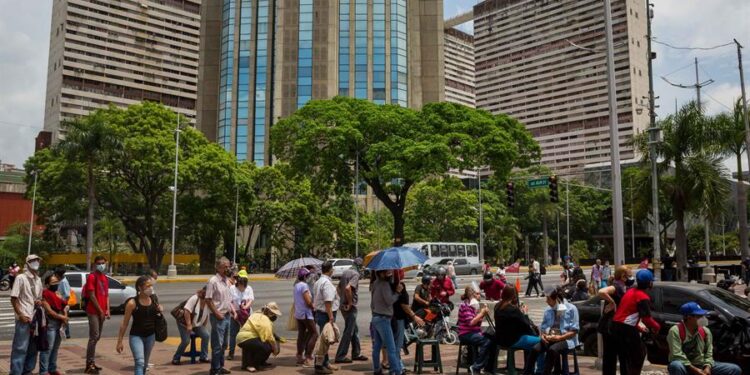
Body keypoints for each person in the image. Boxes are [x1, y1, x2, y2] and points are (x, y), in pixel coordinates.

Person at [666, 302, 742, 375]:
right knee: (676, 365)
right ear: (689, 317)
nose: (703, 319)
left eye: (703, 316)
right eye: (699, 316)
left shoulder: (705, 331)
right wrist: (695, 370)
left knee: (734, 369)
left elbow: (709, 353)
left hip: (701, 364)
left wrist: (707, 367)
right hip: (685, 366)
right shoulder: (675, 331)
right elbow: (677, 355)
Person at [611, 269, 661, 374]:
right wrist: (657, 327)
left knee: (624, 358)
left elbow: (627, 313)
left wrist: (638, 327)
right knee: (638, 356)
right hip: (626, 329)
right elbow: (646, 319)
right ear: (650, 283)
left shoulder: (630, 291)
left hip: (616, 326)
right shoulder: (643, 297)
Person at [115, 275, 162, 375]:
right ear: (140, 288)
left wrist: (159, 309)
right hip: (136, 336)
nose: (150, 288)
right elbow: (124, 323)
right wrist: (119, 341)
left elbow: (157, 314)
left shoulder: (153, 299)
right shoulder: (132, 303)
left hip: (151, 336)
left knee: (144, 364)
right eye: (147, 286)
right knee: (139, 362)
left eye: (151, 285)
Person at [529, 287, 580, 375]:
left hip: (567, 339)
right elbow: (543, 327)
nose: (546, 301)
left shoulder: (572, 309)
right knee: (535, 349)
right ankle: (527, 372)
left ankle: (547, 372)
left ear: (556, 299)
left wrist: (560, 337)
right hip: (551, 338)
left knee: (552, 350)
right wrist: (543, 336)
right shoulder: (548, 309)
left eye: (548, 299)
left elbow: (574, 330)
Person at [492, 285, 540, 374]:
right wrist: (525, 313)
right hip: (513, 340)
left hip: (500, 340)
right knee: (541, 342)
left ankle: (529, 368)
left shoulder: (497, 306)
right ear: (514, 296)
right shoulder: (513, 309)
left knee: (530, 343)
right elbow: (526, 325)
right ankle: (538, 370)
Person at [10, 255, 44, 375]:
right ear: (27, 263)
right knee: (20, 347)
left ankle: (27, 371)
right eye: (32, 261)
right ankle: (16, 372)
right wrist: (20, 315)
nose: (36, 262)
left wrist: (39, 301)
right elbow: (14, 298)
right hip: (24, 317)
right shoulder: (21, 278)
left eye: (37, 260)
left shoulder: (38, 279)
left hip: (35, 318)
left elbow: (39, 297)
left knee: (33, 348)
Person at [598, 265, 634, 375]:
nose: (631, 278)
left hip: (619, 326)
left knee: (624, 356)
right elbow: (601, 291)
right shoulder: (616, 287)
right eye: (629, 275)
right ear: (623, 276)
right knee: (610, 357)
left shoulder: (624, 287)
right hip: (611, 327)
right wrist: (613, 303)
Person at [205, 257, 237, 375]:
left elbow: (228, 299)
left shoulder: (226, 280)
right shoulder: (213, 281)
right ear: (218, 267)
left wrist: (232, 311)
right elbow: (208, 299)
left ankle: (220, 366)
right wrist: (217, 313)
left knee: (224, 344)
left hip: (227, 315)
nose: (228, 268)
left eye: (228, 266)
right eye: (225, 266)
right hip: (218, 316)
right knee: (217, 344)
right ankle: (215, 369)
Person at [370, 269, 404, 375]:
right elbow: (389, 301)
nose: (389, 274)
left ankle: (377, 369)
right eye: (387, 272)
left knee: (377, 346)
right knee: (391, 348)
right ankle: (396, 371)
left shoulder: (375, 283)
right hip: (383, 318)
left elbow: (372, 303)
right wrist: (397, 292)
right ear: (381, 273)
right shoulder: (384, 284)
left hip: (376, 317)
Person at [236, 302, 284, 373]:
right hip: (247, 338)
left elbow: (269, 332)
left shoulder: (256, 314)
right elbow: (270, 337)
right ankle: (252, 365)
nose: (275, 316)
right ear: (270, 313)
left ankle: (256, 363)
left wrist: (277, 337)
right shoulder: (265, 320)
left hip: (241, 338)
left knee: (257, 346)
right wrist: (275, 348)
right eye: (274, 314)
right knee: (267, 347)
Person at [456, 286, 493, 374]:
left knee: (493, 339)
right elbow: (471, 322)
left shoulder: (474, 306)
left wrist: (482, 313)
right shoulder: (466, 306)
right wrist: (482, 313)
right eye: (477, 294)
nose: (479, 296)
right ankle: (476, 367)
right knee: (486, 341)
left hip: (474, 332)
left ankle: (488, 367)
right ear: (472, 295)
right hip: (465, 334)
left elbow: (477, 322)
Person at [335, 266, 367, 364]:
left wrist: (342, 300)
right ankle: (340, 355)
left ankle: (356, 353)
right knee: (349, 331)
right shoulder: (355, 274)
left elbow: (339, 288)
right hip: (350, 307)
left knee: (354, 329)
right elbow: (348, 288)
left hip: (344, 305)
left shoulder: (346, 272)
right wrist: (349, 303)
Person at [39, 272, 69, 375]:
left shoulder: (58, 293)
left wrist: (64, 316)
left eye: (57, 281)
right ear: (47, 284)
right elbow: (49, 311)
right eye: (53, 282)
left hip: (59, 324)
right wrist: (63, 317)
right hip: (50, 324)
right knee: (47, 348)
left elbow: (64, 305)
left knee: (55, 348)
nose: (56, 283)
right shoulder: (45, 293)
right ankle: (44, 371)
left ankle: (52, 369)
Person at [172, 287, 211, 365]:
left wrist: (204, 325)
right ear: (203, 292)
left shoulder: (209, 301)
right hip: (184, 323)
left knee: (206, 335)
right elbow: (187, 311)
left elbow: (206, 314)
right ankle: (176, 358)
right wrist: (189, 325)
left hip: (196, 324)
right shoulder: (195, 298)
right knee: (186, 341)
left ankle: (203, 357)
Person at [313, 261, 339, 374]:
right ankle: (319, 366)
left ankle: (325, 362)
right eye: (332, 269)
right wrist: (331, 317)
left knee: (325, 340)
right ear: (330, 270)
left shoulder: (319, 281)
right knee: (324, 341)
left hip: (321, 313)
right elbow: (328, 302)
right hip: (325, 314)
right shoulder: (326, 283)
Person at [85, 256, 110, 374]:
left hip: (101, 312)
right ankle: (89, 365)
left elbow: (106, 295)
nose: (101, 265)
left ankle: (92, 362)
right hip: (93, 311)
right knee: (94, 336)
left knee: (97, 337)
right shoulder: (92, 276)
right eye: (99, 263)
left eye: (103, 263)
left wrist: (107, 310)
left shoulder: (104, 277)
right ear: (95, 264)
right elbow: (91, 295)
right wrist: (100, 310)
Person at [391, 281, 424, 370]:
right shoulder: (400, 287)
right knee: (397, 344)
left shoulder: (392, 286)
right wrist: (414, 317)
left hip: (393, 319)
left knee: (395, 344)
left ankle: (397, 366)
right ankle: (398, 367)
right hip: (398, 320)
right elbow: (404, 306)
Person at [293, 268, 318, 367]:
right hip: (306, 313)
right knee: (314, 333)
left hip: (299, 313)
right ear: (304, 277)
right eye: (308, 276)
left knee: (301, 334)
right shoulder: (304, 286)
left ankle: (299, 356)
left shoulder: (296, 285)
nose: (309, 277)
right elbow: (308, 301)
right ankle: (308, 357)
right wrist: (313, 306)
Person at [228, 277, 254, 360]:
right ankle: (231, 353)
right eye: (240, 286)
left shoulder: (249, 288)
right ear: (237, 284)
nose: (241, 288)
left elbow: (251, 300)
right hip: (235, 314)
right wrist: (235, 313)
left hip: (246, 314)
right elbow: (230, 302)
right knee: (233, 334)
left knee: (247, 334)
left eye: (243, 286)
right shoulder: (232, 289)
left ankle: (247, 353)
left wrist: (245, 308)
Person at [53, 266, 71, 339]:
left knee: (64, 318)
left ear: (58, 274)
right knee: (63, 318)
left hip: (63, 304)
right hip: (61, 303)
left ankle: (67, 334)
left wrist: (64, 305)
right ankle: (66, 333)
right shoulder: (61, 281)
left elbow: (67, 295)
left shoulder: (64, 282)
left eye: (55, 274)